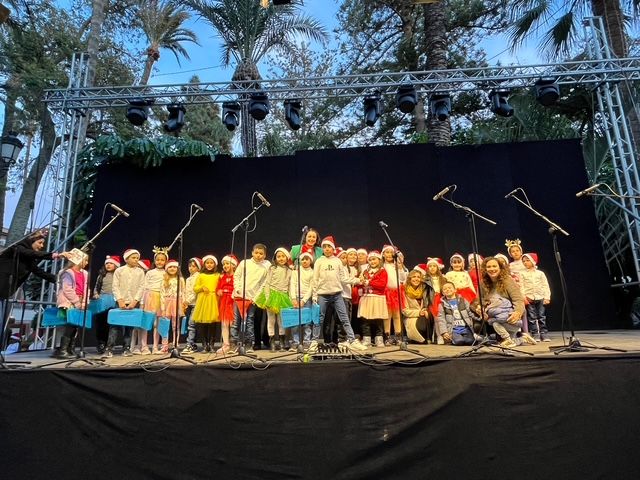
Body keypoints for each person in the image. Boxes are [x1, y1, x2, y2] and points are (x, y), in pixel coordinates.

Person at [307, 236, 366, 353]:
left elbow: (343, 278)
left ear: (333, 248)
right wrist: (314, 296)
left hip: (337, 295)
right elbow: (315, 279)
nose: (327, 249)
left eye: (329, 247)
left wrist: (357, 281)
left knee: (344, 318)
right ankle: (314, 342)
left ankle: (352, 340)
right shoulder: (319, 261)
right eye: (324, 247)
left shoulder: (337, 261)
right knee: (319, 319)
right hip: (323, 295)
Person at [480, 257, 536, 348]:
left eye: (494, 266)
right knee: (505, 342)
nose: (492, 269)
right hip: (495, 314)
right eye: (489, 267)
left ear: (500, 268)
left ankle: (518, 335)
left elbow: (518, 299)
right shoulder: (483, 283)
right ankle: (522, 339)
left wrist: (517, 312)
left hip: (509, 315)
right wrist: (481, 309)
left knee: (497, 328)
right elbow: (480, 300)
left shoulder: (507, 281)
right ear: (485, 269)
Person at [0, 229, 68, 301]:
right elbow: (29, 253)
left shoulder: (29, 259)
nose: (41, 246)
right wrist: (51, 255)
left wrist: (58, 279)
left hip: (4, 293)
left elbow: (39, 272)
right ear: (31, 241)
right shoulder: (17, 248)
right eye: (40, 243)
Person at [230, 244, 270, 353]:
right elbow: (236, 276)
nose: (258, 255)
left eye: (261, 254)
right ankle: (233, 343)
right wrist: (238, 289)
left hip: (252, 299)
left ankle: (249, 343)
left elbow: (263, 284)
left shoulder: (265, 267)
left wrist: (255, 297)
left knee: (249, 321)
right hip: (239, 297)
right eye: (256, 253)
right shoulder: (244, 263)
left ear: (265, 255)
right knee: (235, 321)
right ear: (252, 253)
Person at [107, 248, 145, 357]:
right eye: (133, 258)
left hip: (132, 302)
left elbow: (141, 287)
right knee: (114, 325)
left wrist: (135, 301)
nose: (136, 260)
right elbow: (115, 286)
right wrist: (119, 299)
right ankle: (110, 347)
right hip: (120, 302)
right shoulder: (119, 270)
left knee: (129, 326)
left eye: (137, 258)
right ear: (126, 259)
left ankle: (126, 348)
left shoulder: (140, 271)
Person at [256, 247, 293, 351]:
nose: (281, 258)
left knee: (281, 321)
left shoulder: (289, 271)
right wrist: (267, 298)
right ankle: (272, 341)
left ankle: (281, 341)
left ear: (287, 258)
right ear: (275, 258)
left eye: (283, 256)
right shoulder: (272, 268)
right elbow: (267, 283)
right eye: (278, 256)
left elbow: (290, 286)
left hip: (283, 296)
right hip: (272, 295)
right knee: (271, 320)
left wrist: (290, 298)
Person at [53, 252, 89, 358]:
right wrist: (77, 302)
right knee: (67, 326)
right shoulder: (67, 272)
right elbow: (67, 289)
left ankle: (70, 348)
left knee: (75, 326)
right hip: (68, 302)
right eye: (85, 260)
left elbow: (86, 288)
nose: (87, 263)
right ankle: (62, 349)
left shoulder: (85, 273)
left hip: (79, 302)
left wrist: (84, 302)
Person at [436, 281, 481, 346]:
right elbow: (441, 319)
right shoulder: (442, 305)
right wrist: (444, 332)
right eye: (445, 289)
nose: (447, 289)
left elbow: (470, 312)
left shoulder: (463, 300)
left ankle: (472, 337)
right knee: (459, 341)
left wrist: (479, 317)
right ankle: (452, 339)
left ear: (455, 290)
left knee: (471, 341)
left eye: (449, 288)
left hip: (465, 328)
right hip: (453, 329)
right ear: (443, 293)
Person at [358, 251, 388, 347]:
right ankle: (367, 338)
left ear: (379, 260)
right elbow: (362, 283)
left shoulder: (383, 271)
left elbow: (382, 284)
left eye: (374, 259)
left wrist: (369, 282)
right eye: (370, 260)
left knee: (378, 319)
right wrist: (361, 282)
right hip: (366, 298)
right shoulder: (365, 272)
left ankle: (379, 339)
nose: (372, 261)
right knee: (365, 319)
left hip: (377, 298)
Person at [141, 248, 168, 355]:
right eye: (158, 260)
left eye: (162, 260)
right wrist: (142, 302)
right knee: (147, 322)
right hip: (150, 296)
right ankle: (144, 347)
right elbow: (144, 286)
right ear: (154, 260)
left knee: (158, 324)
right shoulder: (150, 273)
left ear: (165, 261)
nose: (160, 262)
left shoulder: (167, 273)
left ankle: (156, 347)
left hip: (161, 298)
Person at [92, 255, 120, 354]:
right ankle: (101, 343)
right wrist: (96, 294)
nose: (108, 265)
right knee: (101, 322)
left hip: (114, 300)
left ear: (116, 265)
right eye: (107, 263)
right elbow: (96, 287)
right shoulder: (101, 275)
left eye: (111, 263)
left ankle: (110, 344)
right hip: (103, 301)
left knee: (112, 323)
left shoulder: (118, 275)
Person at [192, 255, 220, 353]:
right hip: (203, 301)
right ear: (204, 264)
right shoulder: (200, 275)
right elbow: (195, 288)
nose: (209, 265)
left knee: (213, 324)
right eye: (207, 263)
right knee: (203, 324)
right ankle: (204, 345)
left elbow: (219, 287)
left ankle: (212, 345)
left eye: (211, 263)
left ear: (215, 264)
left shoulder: (217, 275)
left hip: (213, 300)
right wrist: (202, 288)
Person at [520, 253, 551, 342]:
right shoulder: (522, 274)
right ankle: (535, 334)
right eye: (524, 261)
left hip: (540, 297)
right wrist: (524, 297)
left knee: (541, 316)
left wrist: (547, 297)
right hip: (529, 298)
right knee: (532, 317)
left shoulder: (540, 273)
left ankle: (544, 333)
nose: (525, 263)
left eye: (527, 260)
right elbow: (521, 286)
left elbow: (545, 285)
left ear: (533, 261)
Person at [289, 251, 315, 350]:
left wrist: (304, 300)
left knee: (307, 322)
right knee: (295, 322)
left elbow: (311, 288)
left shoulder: (312, 272)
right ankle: (295, 342)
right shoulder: (296, 272)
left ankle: (307, 341)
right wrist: (294, 298)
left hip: (306, 300)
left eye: (307, 259)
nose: (304, 261)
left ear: (310, 261)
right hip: (296, 298)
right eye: (303, 259)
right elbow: (293, 284)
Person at [160, 259, 186, 352]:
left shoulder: (181, 279)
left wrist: (183, 304)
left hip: (177, 302)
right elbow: (162, 294)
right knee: (165, 325)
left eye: (174, 267)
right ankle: (164, 345)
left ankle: (175, 343)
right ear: (166, 269)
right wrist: (162, 308)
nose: (172, 268)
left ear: (177, 268)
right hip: (167, 303)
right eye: (170, 267)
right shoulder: (164, 279)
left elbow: (183, 292)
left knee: (176, 325)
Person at [381, 244, 405, 345]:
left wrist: (400, 268)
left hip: (397, 292)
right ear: (383, 254)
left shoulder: (397, 266)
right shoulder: (382, 266)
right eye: (387, 252)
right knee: (387, 315)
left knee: (397, 315)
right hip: (386, 292)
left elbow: (402, 279)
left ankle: (398, 336)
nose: (390, 254)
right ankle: (387, 336)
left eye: (391, 252)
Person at [216, 254, 238, 354]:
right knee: (224, 324)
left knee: (233, 324)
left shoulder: (236, 277)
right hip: (224, 302)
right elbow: (218, 288)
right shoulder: (222, 277)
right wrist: (219, 291)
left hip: (232, 301)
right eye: (224, 264)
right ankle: (226, 344)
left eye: (227, 263)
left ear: (233, 265)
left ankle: (234, 343)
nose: (225, 266)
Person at [402, 268, 430, 344]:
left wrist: (425, 311)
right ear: (409, 279)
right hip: (411, 317)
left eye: (418, 277)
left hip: (423, 315)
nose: (416, 279)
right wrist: (419, 312)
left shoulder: (424, 290)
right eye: (414, 277)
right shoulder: (404, 291)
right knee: (420, 328)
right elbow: (404, 310)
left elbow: (428, 304)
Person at [182, 257, 202, 354]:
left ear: (198, 267)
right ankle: (192, 344)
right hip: (189, 304)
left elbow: (195, 291)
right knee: (189, 325)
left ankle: (190, 344)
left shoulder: (199, 277)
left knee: (191, 324)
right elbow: (186, 291)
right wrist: (185, 302)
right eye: (189, 266)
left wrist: (188, 300)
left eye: (193, 266)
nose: (191, 268)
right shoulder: (188, 278)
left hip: (195, 304)